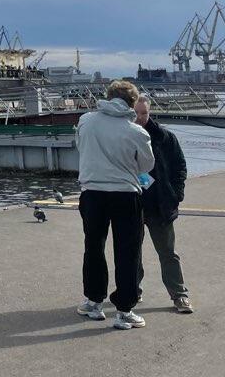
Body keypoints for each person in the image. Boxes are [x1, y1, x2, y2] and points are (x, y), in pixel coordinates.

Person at [75, 79, 155, 330]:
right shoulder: (136, 132)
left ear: (108, 97)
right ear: (132, 103)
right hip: (125, 194)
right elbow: (147, 165)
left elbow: (80, 147)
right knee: (128, 252)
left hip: (92, 192)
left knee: (93, 247)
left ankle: (93, 302)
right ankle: (124, 310)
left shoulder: (86, 121)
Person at [135, 95, 194, 313]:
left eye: (144, 113)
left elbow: (180, 166)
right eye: (136, 113)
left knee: (168, 253)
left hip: (160, 204)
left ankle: (179, 295)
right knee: (131, 252)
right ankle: (132, 291)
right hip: (132, 203)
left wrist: (176, 194)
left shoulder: (165, 137)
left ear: (150, 112)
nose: (140, 118)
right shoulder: (125, 136)